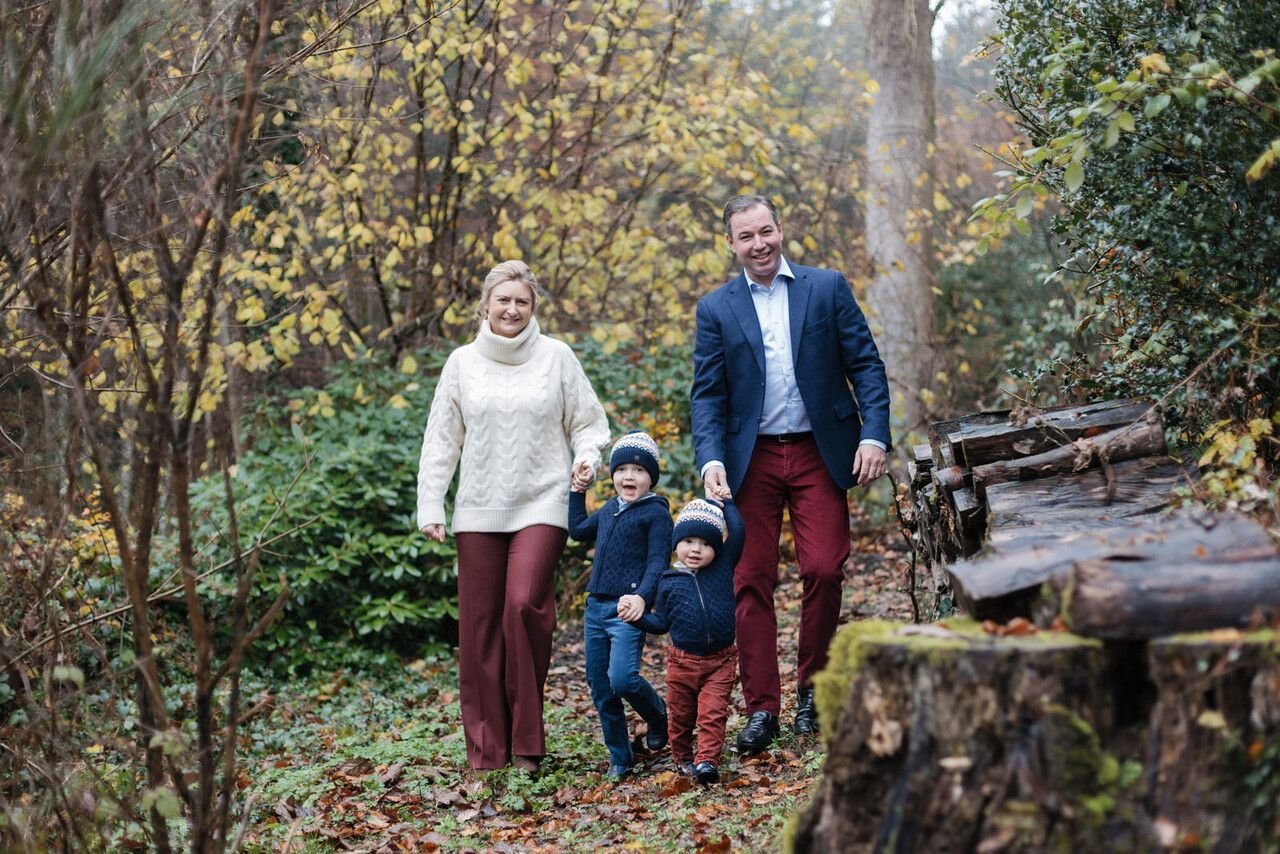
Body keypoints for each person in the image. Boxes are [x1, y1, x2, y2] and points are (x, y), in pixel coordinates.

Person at [690, 195, 892, 756]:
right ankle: (761, 708)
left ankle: (813, 689)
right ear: (730, 244)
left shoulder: (826, 288)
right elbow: (707, 395)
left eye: (766, 232)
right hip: (748, 461)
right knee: (750, 579)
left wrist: (873, 435)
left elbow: (866, 366)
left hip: (817, 451)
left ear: (781, 229)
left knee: (825, 568)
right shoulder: (716, 308)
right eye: (746, 237)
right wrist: (710, 460)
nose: (759, 244)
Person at [417, 259, 610, 773]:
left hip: (542, 501)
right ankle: (487, 756)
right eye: (503, 300)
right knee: (478, 630)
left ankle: (527, 744)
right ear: (485, 306)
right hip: (478, 508)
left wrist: (588, 458)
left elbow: (589, 423)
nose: (511, 309)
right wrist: (430, 503)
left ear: (533, 307)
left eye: (521, 301)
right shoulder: (461, 363)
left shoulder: (556, 357)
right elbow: (441, 439)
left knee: (523, 606)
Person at [568, 431, 673, 781]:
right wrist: (577, 492)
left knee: (623, 679)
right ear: (613, 474)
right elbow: (578, 530)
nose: (630, 477)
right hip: (595, 609)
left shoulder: (655, 514)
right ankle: (620, 758)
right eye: (623, 469)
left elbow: (658, 562)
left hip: (627, 608)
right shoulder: (610, 508)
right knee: (600, 687)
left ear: (651, 477)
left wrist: (643, 597)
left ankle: (657, 715)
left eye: (639, 471)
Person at [631, 498, 744, 784]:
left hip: (721, 660)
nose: (696, 549)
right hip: (682, 662)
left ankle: (707, 761)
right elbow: (661, 623)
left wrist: (726, 503)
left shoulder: (721, 567)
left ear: (716, 549)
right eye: (689, 541)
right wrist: (638, 617)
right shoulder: (667, 581)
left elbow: (739, 532)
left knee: (712, 712)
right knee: (681, 715)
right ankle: (682, 757)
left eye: (705, 544)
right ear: (676, 544)